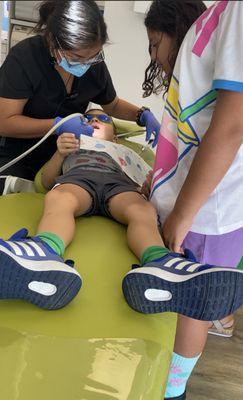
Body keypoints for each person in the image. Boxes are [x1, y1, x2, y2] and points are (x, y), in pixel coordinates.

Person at [1, 108, 243, 320]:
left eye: (103, 119)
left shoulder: (123, 152)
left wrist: (149, 188)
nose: (93, 122)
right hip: (78, 181)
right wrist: (60, 154)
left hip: (120, 188)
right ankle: (44, 251)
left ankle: (161, 262)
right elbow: (45, 182)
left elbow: (145, 188)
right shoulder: (72, 148)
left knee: (142, 209)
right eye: (87, 119)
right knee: (59, 198)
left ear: (115, 135)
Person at [122, 1, 243, 399]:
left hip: (206, 212)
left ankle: (173, 391)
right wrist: (157, 186)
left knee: (193, 302)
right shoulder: (221, 13)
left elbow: (231, 125)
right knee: (182, 297)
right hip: (186, 203)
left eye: (155, 44)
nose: (154, 56)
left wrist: (183, 212)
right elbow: (187, 126)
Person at [0, 0, 160, 195]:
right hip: (18, 154)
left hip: (66, 152)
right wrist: (56, 125)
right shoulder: (25, 59)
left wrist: (141, 114)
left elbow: (113, 105)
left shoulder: (93, 64)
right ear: (53, 41)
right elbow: (5, 122)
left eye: (93, 56)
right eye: (76, 57)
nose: (85, 64)